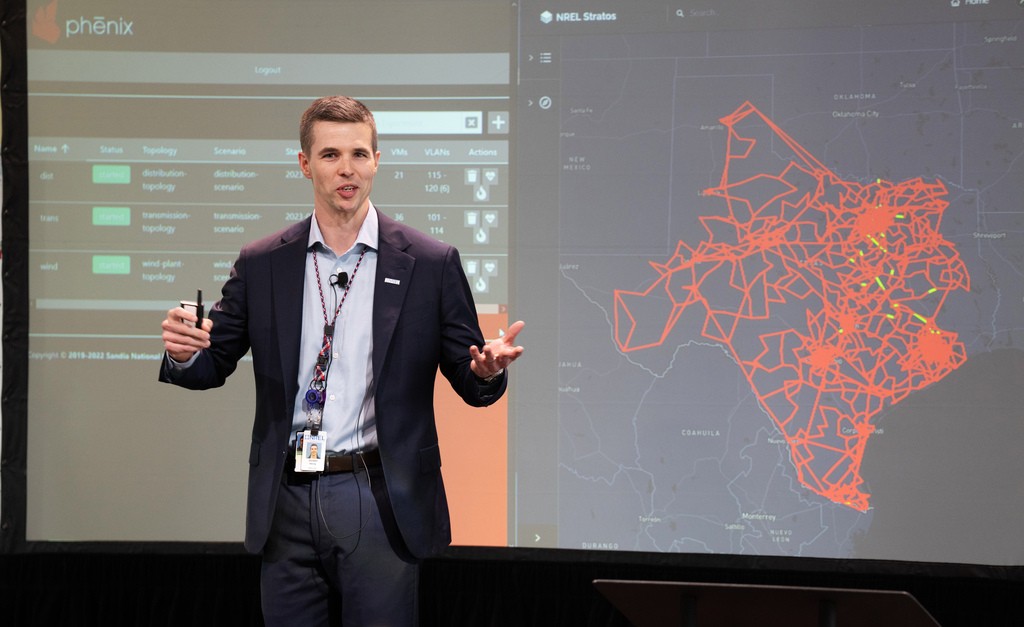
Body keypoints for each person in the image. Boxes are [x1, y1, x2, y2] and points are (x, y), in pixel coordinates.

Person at [159, 95, 524, 626]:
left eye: (359, 153)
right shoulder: (262, 263)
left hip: (378, 494)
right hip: (287, 496)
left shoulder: (429, 262)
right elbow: (213, 362)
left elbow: (470, 375)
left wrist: (487, 371)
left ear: (377, 160)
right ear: (305, 164)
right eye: (330, 155)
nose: (347, 169)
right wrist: (184, 353)